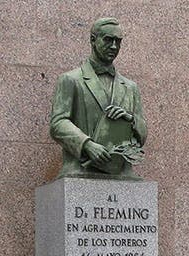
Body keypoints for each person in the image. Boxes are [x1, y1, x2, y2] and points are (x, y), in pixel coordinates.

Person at [49, 17, 147, 178]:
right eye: (108, 40)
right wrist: (86, 145)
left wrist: (130, 120)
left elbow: (143, 133)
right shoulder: (70, 80)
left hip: (121, 171)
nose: (114, 46)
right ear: (93, 40)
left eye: (118, 41)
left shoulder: (130, 87)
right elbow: (58, 124)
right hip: (81, 169)